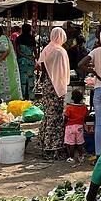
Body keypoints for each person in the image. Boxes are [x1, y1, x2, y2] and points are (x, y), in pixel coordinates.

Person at [36, 27, 71, 159]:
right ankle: (53, 148)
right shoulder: (60, 51)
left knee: (48, 115)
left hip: (47, 85)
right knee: (56, 117)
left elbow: (43, 68)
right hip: (56, 86)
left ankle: (44, 144)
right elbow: (62, 72)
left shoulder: (47, 49)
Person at [0, 25, 23, 102]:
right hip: (3, 64)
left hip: (5, 64)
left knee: (6, 81)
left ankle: (8, 98)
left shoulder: (3, 39)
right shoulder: (1, 38)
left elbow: (6, 51)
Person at [65, 89, 89, 163]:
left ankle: (71, 157)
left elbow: (66, 117)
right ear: (82, 98)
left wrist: (64, 124)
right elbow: (86, 116)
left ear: (72, 97)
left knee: (71, 143)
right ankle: (81, 156)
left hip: (70, 127)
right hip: (79, 126)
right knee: (80, 142)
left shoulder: (69, 108)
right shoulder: (84, 108)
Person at [15, 24, 37, 99]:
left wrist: (25, 56)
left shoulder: (18, 38)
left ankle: (23, 96)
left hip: (22, 61)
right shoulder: (32, 38)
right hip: (31, 61)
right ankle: (31, 97)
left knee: (22, 79)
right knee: (31, 79)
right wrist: (36, 59)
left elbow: (17, 51)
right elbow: (35, 50)